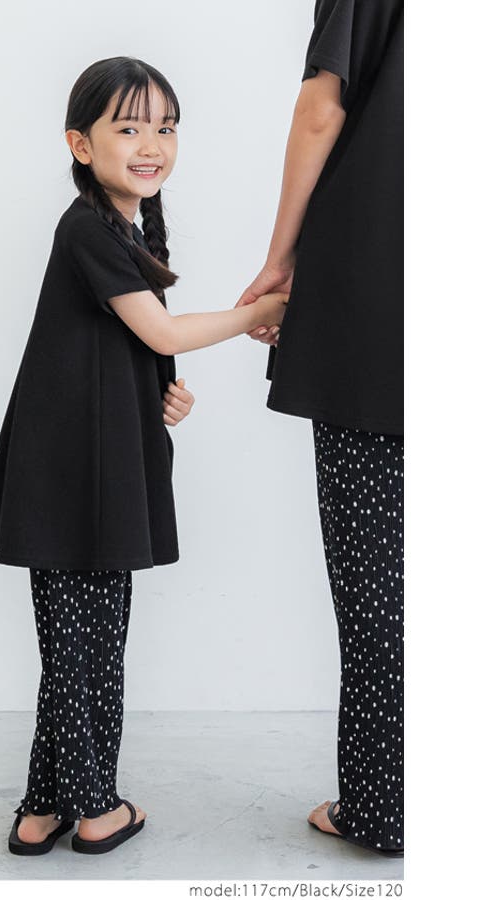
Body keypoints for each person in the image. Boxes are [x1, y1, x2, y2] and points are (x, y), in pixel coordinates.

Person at [0, 56, 287, 856]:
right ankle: (96, 808)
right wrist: (265, 308)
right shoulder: (87, 227)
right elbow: (162, 328)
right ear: (80, 144)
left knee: (77, 643)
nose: (152, 145)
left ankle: (41, 809)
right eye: (129, 128)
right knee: (87, 645)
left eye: (166, 128)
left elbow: (127, 343)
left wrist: (159, 393)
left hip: (88, 457)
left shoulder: (123, 227)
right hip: (77, 471)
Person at [236, 0, 403, 857]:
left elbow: (320, 108)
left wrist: (279, 257)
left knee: (379, 574)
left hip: (378, 288)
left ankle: (387, 803)